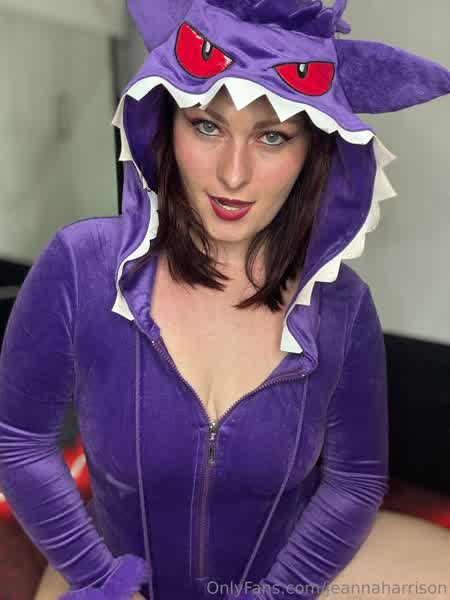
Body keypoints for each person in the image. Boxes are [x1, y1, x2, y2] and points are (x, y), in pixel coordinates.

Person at [1, 1, 449, 599]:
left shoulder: (343, 309)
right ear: (166, 122)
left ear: (313, 151)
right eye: (207, 126)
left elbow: (355, 482)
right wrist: (102, 581)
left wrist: (279, 595)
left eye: (272, 136)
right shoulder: (82, 266)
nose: (233, 175)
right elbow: (17, 439)